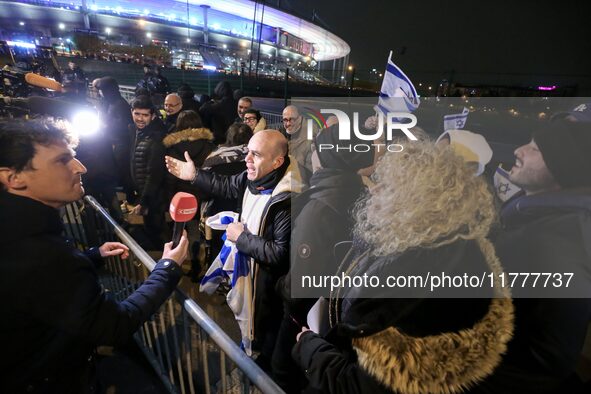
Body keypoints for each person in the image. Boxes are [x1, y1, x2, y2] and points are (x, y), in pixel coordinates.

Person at [292, 141, 514, 394]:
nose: (375, 191)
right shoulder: (438, 242)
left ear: (421, 200)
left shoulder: (416, 275)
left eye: (390, 188)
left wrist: (310, 349)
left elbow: (364, 384)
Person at [0, 118, 188, 394]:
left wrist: (92, 256)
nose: (81, 167)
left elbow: (35, 285)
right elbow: (116, 325)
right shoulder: (42, 254)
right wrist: (167, 268)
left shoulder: (21, 237)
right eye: (63, 160)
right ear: (13, 178)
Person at [165, 130, 303, 368]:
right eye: (248, 151)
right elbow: (227, 185)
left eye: (256, 154)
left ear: (277, 162)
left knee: (263, 334)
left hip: (268, 291)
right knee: (248, 324)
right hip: (249, 276)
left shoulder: (287, 200)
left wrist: (241, 238)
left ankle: (261, 373)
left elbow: (280, 254)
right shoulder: (256, 175)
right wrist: (195, 175)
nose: (247, 158)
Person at [482, 120, 591, 393]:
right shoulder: (535, 217)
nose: (519, 150)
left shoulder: (557, 242)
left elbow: (547, 359)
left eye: (536, 149)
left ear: (564, 165)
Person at [272, 123, 374, 392]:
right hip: (335, 314)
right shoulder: (360, 193)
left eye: (318, 148)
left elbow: (300, 286)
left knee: (282, 371)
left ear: (329, 155)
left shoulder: (319, 208)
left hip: (303, 317)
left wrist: (279, 286)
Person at [129, 95, 167, 249]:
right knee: (152, 228)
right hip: (144, 191)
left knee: (157, 230)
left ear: (152, 116)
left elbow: (154, 174)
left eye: (145, 115)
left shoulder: (156, 139)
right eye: (137, 114)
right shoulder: (137, 132)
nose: (140, 118)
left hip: (154, 195)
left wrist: (144, 200)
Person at [281, 105, 317, 184]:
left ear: (300, 118)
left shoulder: (311, 138)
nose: (288, 123)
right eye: (285, 120)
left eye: (292, 119)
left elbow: (310, 170)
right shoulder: (284, 132)